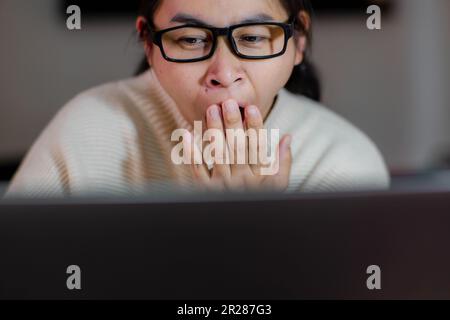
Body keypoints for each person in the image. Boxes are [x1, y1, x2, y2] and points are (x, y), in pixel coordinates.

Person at [5, 0, 390, 199]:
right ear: (148, 41)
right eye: (190, 39)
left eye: (254, 37)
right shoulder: (83, 134)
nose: (223, 72)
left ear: (298, 41)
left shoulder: (343, 163)